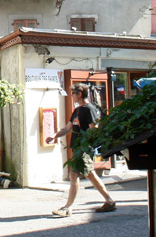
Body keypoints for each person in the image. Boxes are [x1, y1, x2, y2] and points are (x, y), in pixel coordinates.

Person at [45, 83, 116, 216]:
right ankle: (109, 201)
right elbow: (67, 128)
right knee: (91, 175)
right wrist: (54, 135)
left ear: (79, 94)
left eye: (73, 93)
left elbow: (93, 129)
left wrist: (86, 145)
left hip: (83, 149)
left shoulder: (89, 109)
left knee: (74, 175)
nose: (71, 96)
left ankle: (67, 207)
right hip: (77, 148)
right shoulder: (77, 110)